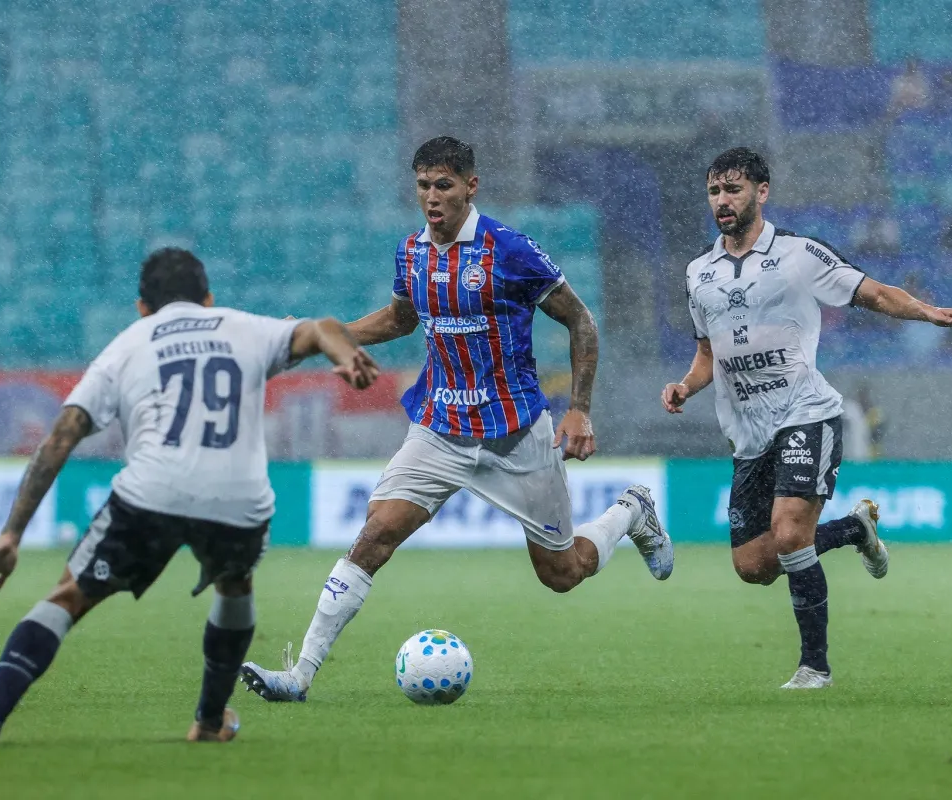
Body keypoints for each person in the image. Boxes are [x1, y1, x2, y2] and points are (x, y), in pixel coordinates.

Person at [240, 136, 673, 702]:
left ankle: (630, 511)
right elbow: (401, 318)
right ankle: (298, 677)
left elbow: (582, 321)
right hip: (440, 427)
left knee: (561, 573)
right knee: (374, 536)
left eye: (444, 184)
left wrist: (580, 411)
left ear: (471, 186)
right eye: (423, 185)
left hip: (514, 435)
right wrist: (330, 336)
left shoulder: (510, 250)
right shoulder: (411, 253)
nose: (432, 197)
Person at [0, 248, 380, 746]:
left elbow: (61, 436)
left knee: (68, 597)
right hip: (236, 500)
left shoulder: (127, 345)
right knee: (234, 586)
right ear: (208, 300)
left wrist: (11, 534)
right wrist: (343, 353)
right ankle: (210, 722)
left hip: (152, 493)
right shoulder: (243, 328)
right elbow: (320, 327)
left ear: (141, 307)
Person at [662, 148, 952, 689]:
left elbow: (873, 292)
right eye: (715, 191)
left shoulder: (798, 254)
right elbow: (708, 356)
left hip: (807, 413)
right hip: (749, 435)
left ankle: (815, 667)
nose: (723, 201)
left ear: (762, 192)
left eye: (734, 190)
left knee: (789, 534)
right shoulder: (698, 273)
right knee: (754, 565)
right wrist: (685, 387)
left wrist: (928, 312)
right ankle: (856, 529)